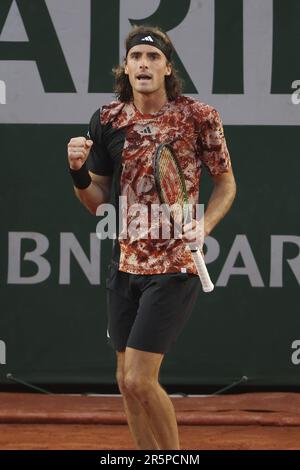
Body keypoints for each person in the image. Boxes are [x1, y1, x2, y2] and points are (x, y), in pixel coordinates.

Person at [67, 25, 236, 450]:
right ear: (125, 68)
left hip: (174, 265)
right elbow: (97, 202)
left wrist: (206, 224)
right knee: (125, 382)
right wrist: (77, 172)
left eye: (152, 58)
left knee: (141, 379)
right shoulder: (107, 119)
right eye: (136, 57)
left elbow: (226, 185)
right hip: (124, 262)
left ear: (166, 68)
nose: (143, 64)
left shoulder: (199, 117)